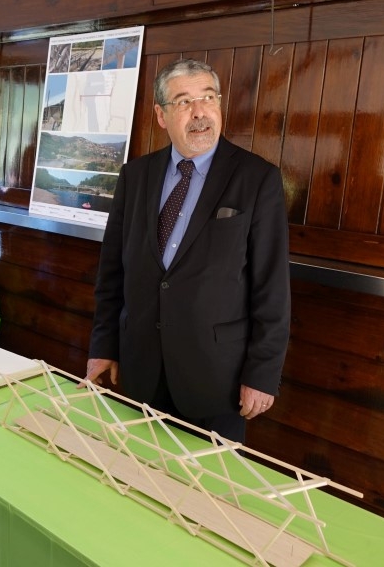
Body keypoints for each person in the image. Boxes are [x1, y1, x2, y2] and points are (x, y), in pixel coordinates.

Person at [85, 58, 291, 443]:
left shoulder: (257, 178)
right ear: (161, 116)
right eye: (184, 102)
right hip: (141, 370)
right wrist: (104, 347)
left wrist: (262, 373)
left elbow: (271, 286)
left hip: (216, 379)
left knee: (208, 493)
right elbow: (112, 273)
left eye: (208, 98)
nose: (199, 113)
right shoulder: (136, 176)